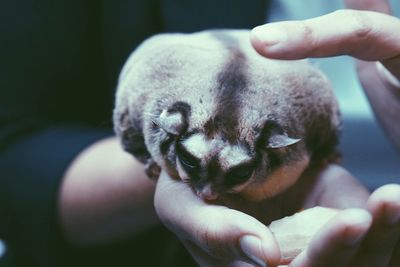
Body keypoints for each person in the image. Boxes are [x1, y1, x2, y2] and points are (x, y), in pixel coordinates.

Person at [0, 1, 399, 267]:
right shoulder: (156, 86)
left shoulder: (311, 103)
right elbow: (14, 150)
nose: (208, 193)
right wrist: (154, 171)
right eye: (193, 164)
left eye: (232, 175)